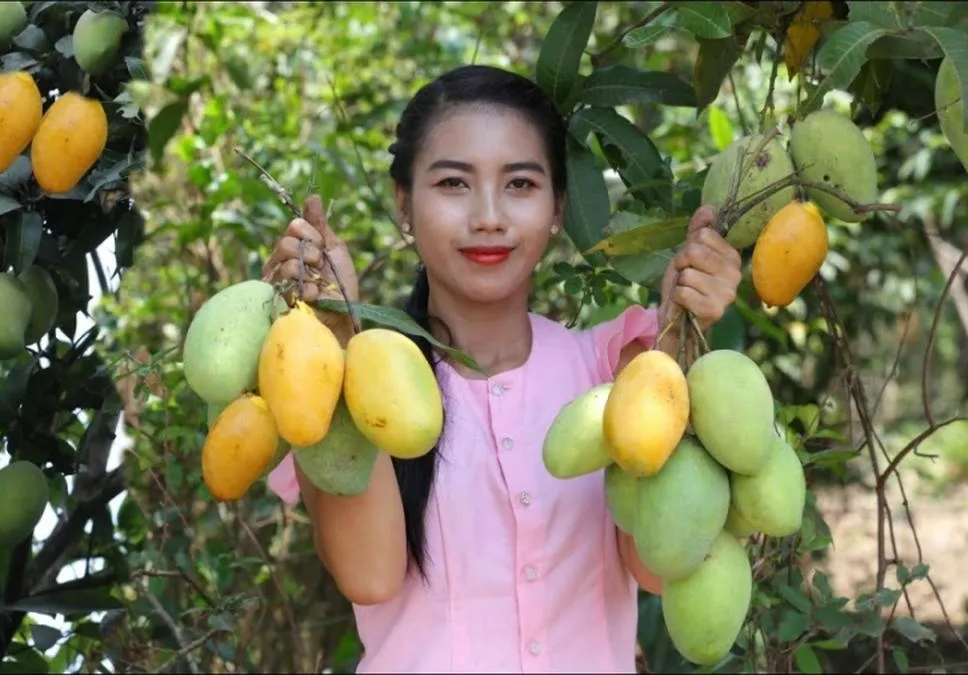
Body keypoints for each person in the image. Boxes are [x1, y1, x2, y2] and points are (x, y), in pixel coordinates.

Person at [259, 64, 743, 673]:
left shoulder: (620, 371)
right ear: (404, 205)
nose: (488, 216)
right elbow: (370, 575)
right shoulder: (342, 384)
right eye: (454, 183)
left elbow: (657, 563)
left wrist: (682, 335)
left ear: (557, 206)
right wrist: (333, 339)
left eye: (519, 184)